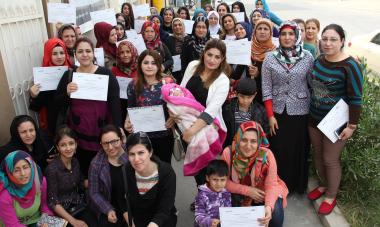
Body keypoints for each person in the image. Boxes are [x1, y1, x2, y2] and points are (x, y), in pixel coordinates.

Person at [307, 24, 363, 215]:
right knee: (317, 154)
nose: (328, 43)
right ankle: (323, 185)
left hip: (336, 123)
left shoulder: (350, 66)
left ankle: (331, 195)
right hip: (314, 118)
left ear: (342, 42)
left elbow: (356, 98)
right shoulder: (320, 59)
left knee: (330, 159)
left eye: (333, 39)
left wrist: (352, 126)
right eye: (325, 39)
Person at [55, 37, 122, 177]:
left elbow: (115, 103)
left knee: (104, 169)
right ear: (75, 55)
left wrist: (118, 128)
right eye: (80, 51)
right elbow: (57, 103)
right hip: (78, 132)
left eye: (88, 51)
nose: (84, 54)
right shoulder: (69, 75)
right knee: (84, 168)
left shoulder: (106, 74)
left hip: (101, 130)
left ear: (93, 53)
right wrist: (67, 92)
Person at [261, 21, 314, 194]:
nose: (287, 37)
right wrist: (270, 115)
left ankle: (295, 186)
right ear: (279, 36)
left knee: (297, 148)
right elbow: (266, 88)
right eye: (283, 34)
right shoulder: (270, 57)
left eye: (291, 34)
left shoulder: (307, 57)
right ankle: (276, 185)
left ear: (297, 36)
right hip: (277, 111)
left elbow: (312, 84)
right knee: (279, 149)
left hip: (300, 110)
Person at [180, 39, 230, 186]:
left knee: (207, 169)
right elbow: (180, 92)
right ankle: (202, 197)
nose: (212, 60)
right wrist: (173, 116)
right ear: (203, 54)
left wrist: (191, 132)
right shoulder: (192, 66)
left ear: (222, 59)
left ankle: (210, 200)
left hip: (206, 129)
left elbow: (211, 111)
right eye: (209, 54)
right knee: (196, 168)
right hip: (184, 124)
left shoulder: (223, 80)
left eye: (217, 57)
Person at [222, 121, 288, 227]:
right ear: (238, 139)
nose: (248, 146)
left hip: (263, 192)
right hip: (239, 193)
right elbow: (224, 182)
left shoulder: (267, 155)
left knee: (274, 220)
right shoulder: (228, 153)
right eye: (244, 140)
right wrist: (248, 191)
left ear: (259, 142)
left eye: (253, 141)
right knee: (227, 219)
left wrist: (268, 207)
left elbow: (271, 185)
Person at [161, 83, 226, 176]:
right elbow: (179, 94)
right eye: (174, 92)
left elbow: (210, 108)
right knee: (200, 175)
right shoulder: (192, 70)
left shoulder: (222, 80)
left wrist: (191, 131)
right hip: (188, 127)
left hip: (204, 123)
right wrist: (172, 113)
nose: (177, 93)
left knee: (210, 173)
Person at [124, 50, 175, 164]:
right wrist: (127, 120)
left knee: (164, 167)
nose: (150, 66)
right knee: (143, 166)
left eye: (153, 63)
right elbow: (130, 108)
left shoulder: (167, 83)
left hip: (164, 136)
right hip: (142, 137)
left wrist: (173, 118)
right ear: (140, 65)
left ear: (159, 65)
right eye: (146, 63)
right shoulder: (133, 85)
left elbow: (178, 107)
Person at [123, 132, 177, 227]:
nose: (136, 159)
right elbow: (123, 200)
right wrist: (131, 223)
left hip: (162, 221)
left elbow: (164, 209)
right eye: (132, 154)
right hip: (138, 220)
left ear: (150, 152)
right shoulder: (126, 170)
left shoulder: (166, 172)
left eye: (141, 153)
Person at [45, 126, 95, 227]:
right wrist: (73, 221)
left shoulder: (75, 162)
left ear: (76, 144)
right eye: (63, 145)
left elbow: (81, 182)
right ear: (58, 147)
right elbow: (53, 201)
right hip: (62, 213)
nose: (68, 148)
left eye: (71, 143)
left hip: (78, 205)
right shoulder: (52, 169)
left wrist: (95, 182)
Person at [29, 38, 72, 136]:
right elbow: (36, 107)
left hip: (73, 119)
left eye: (62, 53)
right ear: (48, 55)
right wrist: (33, 96)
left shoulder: (73, 72)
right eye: (54, 54)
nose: (59, 57)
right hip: (55, 122)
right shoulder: (42, 77)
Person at [88, 125, 128, 227]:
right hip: (108, 203)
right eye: (105, 143)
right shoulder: (96, 164)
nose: (110, 147)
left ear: (121, 139)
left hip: (130, 202)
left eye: (114, 141)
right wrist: (108, 209)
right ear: (101, 144)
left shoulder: (131, 154)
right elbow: (94, 192)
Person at [0, 150, 53, 226]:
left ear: (31, 166)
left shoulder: (40, 181)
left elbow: (44, 205)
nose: (23, 173)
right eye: (16, 170)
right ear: (9, 172)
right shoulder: (4, 196)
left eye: (25, 167)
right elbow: (13, 225)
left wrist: (45, 221)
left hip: (37, 221)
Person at [223, 78, 269, 146]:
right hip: (231, 147)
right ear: (236, 94)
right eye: (242, 96)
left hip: (250, 148)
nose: (245, 100)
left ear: (254, 95)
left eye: (249, 97)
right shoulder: (228, 109)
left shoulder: (260, 111)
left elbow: (265, 132)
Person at [194, 160, 231, 227]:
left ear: (227, 179)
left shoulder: (226, 193)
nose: (218, 184)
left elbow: (228, 210)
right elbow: (198, 216)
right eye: (215, 179)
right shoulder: (201, 196)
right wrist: (208, 222)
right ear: (207, 178)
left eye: (222, 180)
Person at [250, 19, 276, 104]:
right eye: (259, 28)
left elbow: (276, 76)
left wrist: (258, 74)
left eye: (266, 29)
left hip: (269, 97)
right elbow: (237, 74)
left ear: (270, 32)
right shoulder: (248, 49)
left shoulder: (275, 52)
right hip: (249, 96)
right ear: (255, 31)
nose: (262, 31)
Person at [164, 18, 188, 83]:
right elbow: (167, 55)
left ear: (183, 26)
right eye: (175, 25)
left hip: (186, 69)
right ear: (172, 27)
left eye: (180, 25)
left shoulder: (188, 39)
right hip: (174, 70)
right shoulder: (169, 39)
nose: (177, 27)